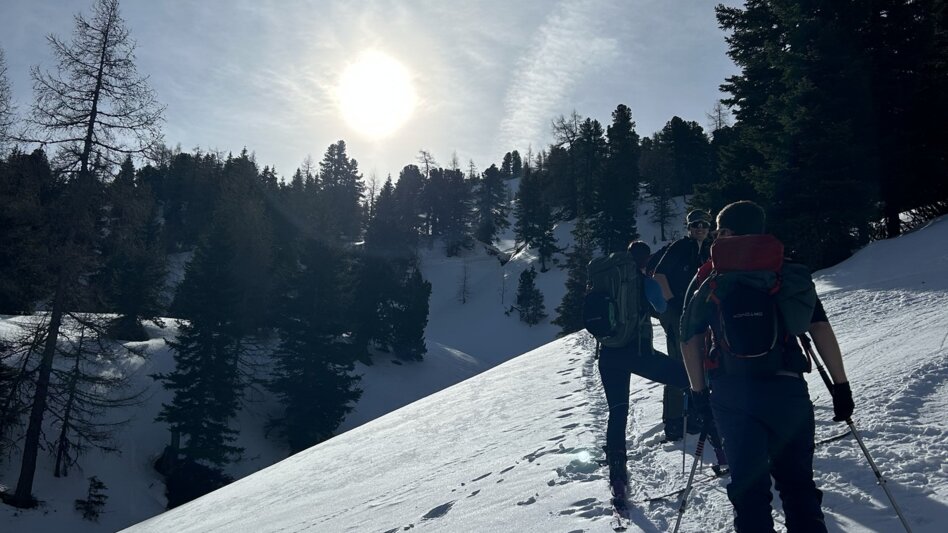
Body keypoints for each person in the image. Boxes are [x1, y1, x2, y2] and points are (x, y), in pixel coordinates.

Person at [680, 200, 855, 533]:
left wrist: (699, 393)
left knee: (749, 491)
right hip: (787, 388)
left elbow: (689, 339)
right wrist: (840, 386)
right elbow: (818, 328)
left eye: (720, 231)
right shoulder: (785, 271)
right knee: (798, 485)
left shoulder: (710, 277)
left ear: (727, 232)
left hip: (732, 394)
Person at [597, 241, 728, 500]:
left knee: (617, 411)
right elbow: (661, 306)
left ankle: (617, 473)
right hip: (639, 353)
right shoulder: (643, 281)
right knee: (689, 379)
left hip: (609, 355)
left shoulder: (605, 279)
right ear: (644, 261)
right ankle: (721, 446)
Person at [653, 209, 713, 441]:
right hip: (678, 314)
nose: (700, 228)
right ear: (688, 227)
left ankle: (693, 415)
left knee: (697, 361)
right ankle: (674, 421)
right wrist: (673, 304)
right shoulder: (681, 246)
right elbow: (659, 275)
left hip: (693, 313)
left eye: (704, 225)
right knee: (679, 363)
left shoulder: (704, 250)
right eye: (696, 224)